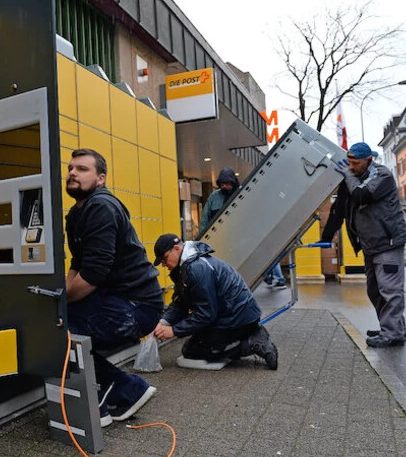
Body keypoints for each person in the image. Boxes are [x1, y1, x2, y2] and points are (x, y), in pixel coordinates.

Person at [64, 148, 163, 427]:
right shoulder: (75, 215)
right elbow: (78, 264)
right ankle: (126, 389)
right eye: (70, 168)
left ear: (101, 179)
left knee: (61, 330)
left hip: (136, 305)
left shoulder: (101, 206)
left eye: (82, 169)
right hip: (115, 300)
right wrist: (61, 299)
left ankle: (108, 398)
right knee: (59, 327)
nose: (72, 173)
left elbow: (94, 274)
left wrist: (60, 305)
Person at [321, 142, 406, 348]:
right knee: (374, 290)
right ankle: (391, 328)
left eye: (356, 163)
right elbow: (339, 210)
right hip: (371, 245)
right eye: (349, 163)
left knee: (390, 290)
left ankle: (392, 333)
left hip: (387, 243)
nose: (351, 167)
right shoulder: (354, 179)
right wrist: (326, 237)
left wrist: (348, 176)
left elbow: (363, 195)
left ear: (369, 160)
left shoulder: (382, 175)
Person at [151, 234, 278, 370]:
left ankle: (254, 342)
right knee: (192, 347)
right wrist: (163, 322)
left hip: (238, 318)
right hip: (233, 314)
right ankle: (249, 334)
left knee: (195, 351)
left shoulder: (196, 268)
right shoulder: (187, 266)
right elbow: (181, 303)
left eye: (164, 259)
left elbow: (206, 314)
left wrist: (174, 331)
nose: (163, 265)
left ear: (176, 249)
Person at [198, 167, 239, 237]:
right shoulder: (214, 196)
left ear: (233, 183)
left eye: (227, 184)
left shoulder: (239, 194)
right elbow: (205, 219)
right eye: (222, 184)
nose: (224, 186)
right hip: (216, 235)